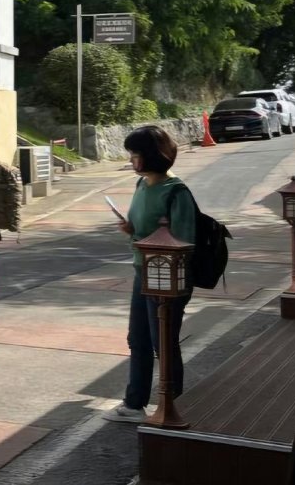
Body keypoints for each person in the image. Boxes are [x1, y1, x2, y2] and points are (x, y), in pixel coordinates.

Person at [103, 125, 197, 423]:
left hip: (169, 279)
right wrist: (131, 230)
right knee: (138, 339)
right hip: (142, 272)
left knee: (163, 342)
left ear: (150, 156)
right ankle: (134, 403)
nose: (131, 160)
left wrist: (147, 241)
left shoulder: (176, 191)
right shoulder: (142, 186)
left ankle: (172, 404)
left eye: (135, 154)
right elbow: (142, 230)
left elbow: (184, 239)